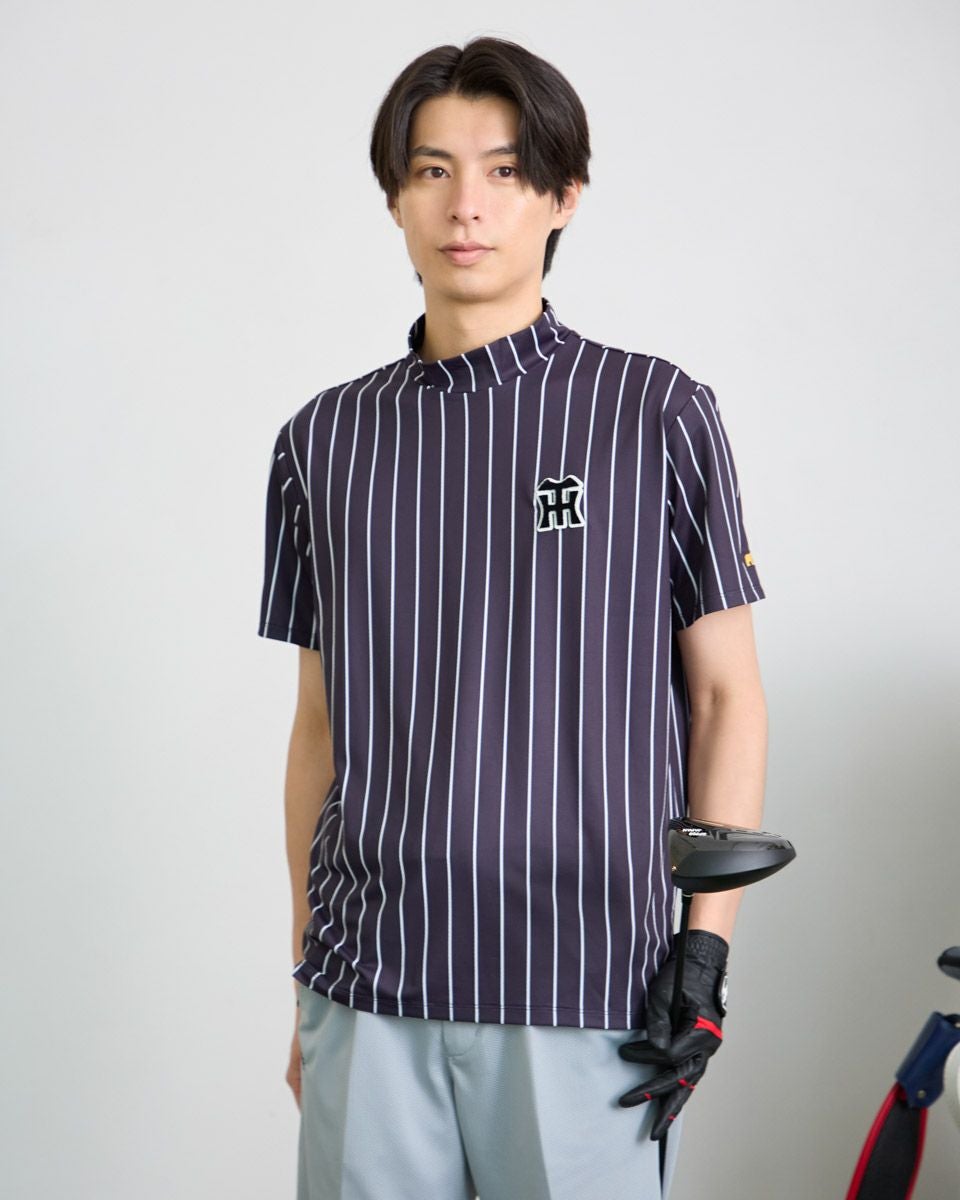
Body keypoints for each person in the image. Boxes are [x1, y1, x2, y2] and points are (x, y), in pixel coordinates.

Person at [257, 34, 768, 1200]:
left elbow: (725, 697)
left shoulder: (655, 413)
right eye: (431, 170)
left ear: (563, 195)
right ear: (395, 198)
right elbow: (318, 730)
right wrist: (304, 977)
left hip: (587, 985)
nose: (466, 205)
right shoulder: (323, 441)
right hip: (368, 984)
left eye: (503, 170)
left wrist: (704, 952)